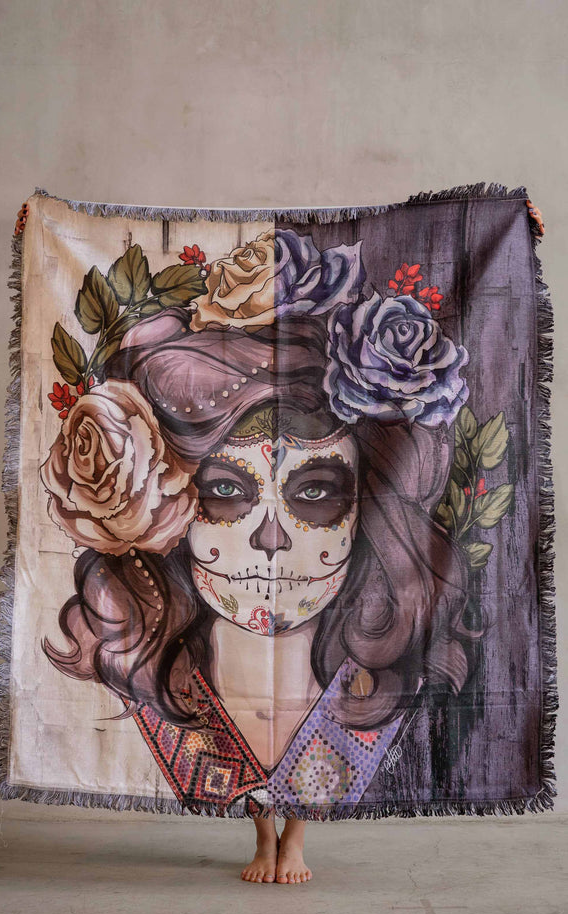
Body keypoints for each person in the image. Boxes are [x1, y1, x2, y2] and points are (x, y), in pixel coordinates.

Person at [41, 304, 473, 884]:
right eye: (226, 490)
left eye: (314, 492)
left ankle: (295, 840)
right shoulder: (168, 675)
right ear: (166, 511)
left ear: (365, 515)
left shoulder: (375, 678)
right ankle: (264, 838)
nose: (271, 538)